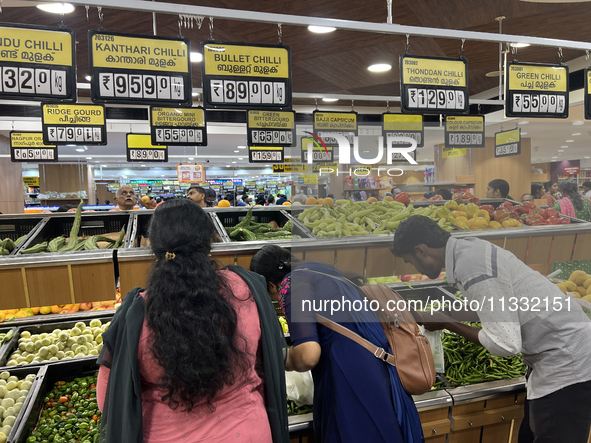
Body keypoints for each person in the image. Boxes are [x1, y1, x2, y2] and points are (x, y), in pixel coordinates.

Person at [96, 199, 289, 443]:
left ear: (155, 247)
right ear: (209, 241)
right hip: (248, 432)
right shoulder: (246, 289)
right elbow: (270, 357)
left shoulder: (138, 315)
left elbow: (109, 400)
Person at [391, 215, 591, 443]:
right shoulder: (469, 249)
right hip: (557, 356)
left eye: (412, 261)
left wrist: (448, 323)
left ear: (421, 251)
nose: (416, 268)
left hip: (567, 364)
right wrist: (448, 314)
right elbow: (496, 306)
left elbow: (506, 344)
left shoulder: (472, 266)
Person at [250, 245, 424, 443]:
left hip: (349, 376)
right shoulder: (322, 271)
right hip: (378, 368)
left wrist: (278, 356)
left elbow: (308, 355)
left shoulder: (291, 284)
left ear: (271, 286)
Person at [552, 179, 591, 277]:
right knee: (584, 275)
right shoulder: (587, 201)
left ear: (563, 191)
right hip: (585, 241)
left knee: (566, 271)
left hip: (566, 242)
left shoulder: (560, 204)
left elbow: (553, 220)